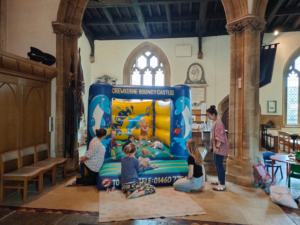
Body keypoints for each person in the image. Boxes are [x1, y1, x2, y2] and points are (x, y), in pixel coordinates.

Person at [206, 105, 229, 191]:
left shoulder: (219, 123)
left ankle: (222, 185)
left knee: (219, 165)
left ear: (213, 114)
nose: (208, 117)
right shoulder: (215, 122)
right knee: (216, 163)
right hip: (216, 147)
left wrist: (217, 147)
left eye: (209, 115)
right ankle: (219, 181)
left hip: (219, 147)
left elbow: (220, 136)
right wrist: (212, 146)